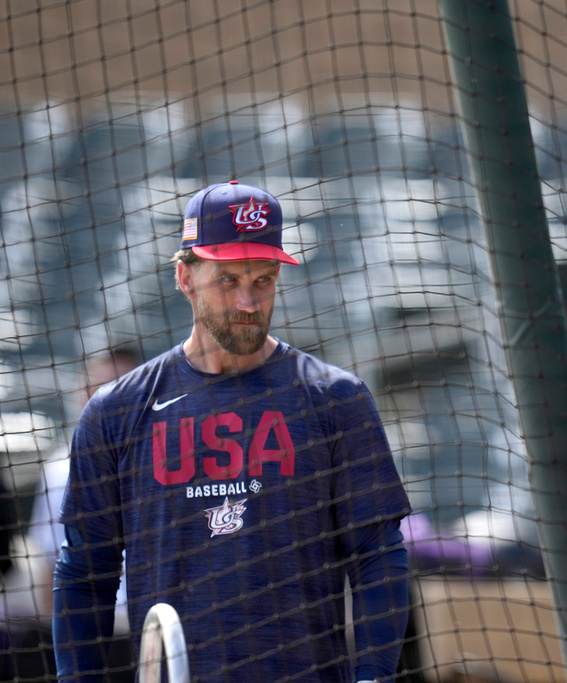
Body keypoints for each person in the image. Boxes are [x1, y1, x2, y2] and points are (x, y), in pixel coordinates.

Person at [53, 180, 411, 683]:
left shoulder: (336, 399)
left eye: (263, 280)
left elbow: (377, 555)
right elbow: (84, 574)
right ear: (185, 277)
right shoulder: (116, 410)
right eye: (227, 280)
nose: (248, 301)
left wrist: (374, 678)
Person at [28, 346, 141, 680]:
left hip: (156, 629)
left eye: (121, 386)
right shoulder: (58, 471)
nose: (108, 400)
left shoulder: (171, 460)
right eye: (98, 388)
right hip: (95, 635)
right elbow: (50, 567)